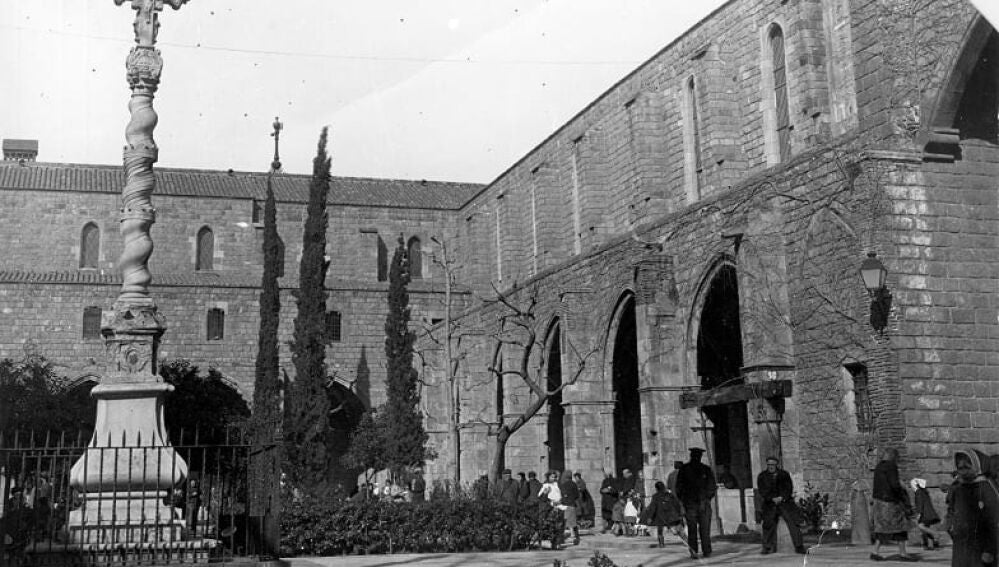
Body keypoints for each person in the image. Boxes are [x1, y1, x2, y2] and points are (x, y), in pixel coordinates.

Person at [947, 448, 998, 567]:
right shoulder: (959, 488)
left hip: (981, 548)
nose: (963, 471)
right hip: (961, 546)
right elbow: (952, 510)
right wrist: (951, 527)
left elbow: (994, 522)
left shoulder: (986, 488)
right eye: (960, 468)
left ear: (976, 465)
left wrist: (990, 550)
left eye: (966, 467)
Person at [870, 447, 915, 562]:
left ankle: (875, 551)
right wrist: (902, 492)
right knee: (901, 525)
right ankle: (903, 553)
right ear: (893, 456)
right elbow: (894, 485)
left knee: (882, 528)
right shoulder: (891, 466)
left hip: (878, 502)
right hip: (890, 502)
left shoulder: (879, 467)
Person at [755, 456, 805, 555]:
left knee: (793, 521)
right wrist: (771, 498)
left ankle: (799, 546)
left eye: (773, 465)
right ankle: (767, 547)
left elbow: (788, 488)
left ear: (776, 465)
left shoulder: (784, 475)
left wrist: (782, 497)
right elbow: (762, 490)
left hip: (784, 502)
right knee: (768, 523)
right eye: (769, 464)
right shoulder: (762, 476)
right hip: (770, 503)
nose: (771, 467)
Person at [675, 447, 717, 559]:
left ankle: (700, 550)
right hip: (694, 504)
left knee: (699, 529)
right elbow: (679, 488)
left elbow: (712, 487)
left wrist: (706, 498)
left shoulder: (703, 470)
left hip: (698, 504)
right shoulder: (687, 470)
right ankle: (702, 550)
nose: (697, 458)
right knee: (699, 529)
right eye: (696, 456)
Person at [639, 480, 684, 548]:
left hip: (660, 516)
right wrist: (679, 514)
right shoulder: (670, 495)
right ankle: (686, 540)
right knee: (677, 528)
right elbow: (676, 504)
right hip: (671, 516)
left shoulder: (655, 496)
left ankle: (661, 543)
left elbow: (653, 507)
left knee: (660, 530)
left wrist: (650, 517)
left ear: (656, 488)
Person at [910, 478, 940, 550]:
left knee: (921, 526)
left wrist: (919, 513)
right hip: (928, 512)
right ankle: (930, 544)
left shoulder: (919, 492)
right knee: (925, 529)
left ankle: (935, 534)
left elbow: (920, 503)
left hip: (925, 513)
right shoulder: (924, 491)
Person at [558, 469, 581, 545]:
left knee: (565, 522)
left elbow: (562, 495)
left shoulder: (563, 485)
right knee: (573, 522)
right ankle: (576, 536)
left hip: (565, 505)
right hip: (572, 504)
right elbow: (577, 495)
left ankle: (562, 538)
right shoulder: (574, 484)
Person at [599, 469, 619, 533]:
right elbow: (601, 490)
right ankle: (605, 527)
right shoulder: (604, 481)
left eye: (605, 473)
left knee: (611, 515)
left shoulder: (614, 480)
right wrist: (603, 490)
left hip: (611, 501)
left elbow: (616, 490)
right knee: (605, 515)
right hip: (605, 501)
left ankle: (612, 528)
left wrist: (609, 490)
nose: (604, 474)